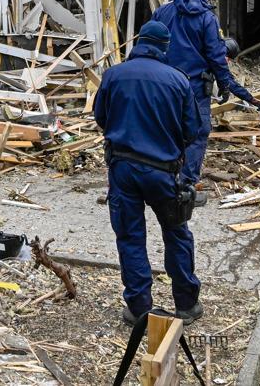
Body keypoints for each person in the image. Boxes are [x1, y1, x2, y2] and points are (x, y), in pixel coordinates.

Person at [93, 20, 205, 325]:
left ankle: (140, 308)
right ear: (164, 47)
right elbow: (192, 131)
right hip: (164, 171)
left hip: (123, 168)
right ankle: (186, 303)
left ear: (139, 42)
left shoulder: (113, 75)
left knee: (130, 237)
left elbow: (101, 117)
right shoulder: (178, 80)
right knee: (176, 233)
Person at [152, 0, 260, 189]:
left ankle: (161, 178)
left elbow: (150, 45)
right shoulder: (206, 18)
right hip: (194, 87)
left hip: (163, 85)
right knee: (197, 133)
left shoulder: (162, 12)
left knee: (165, 129)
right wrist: (224, 85)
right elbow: (216, 58)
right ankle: (186, 185)